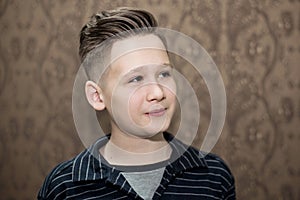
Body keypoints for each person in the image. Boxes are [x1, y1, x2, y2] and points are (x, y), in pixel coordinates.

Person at [38, 7, 235, 200]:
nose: (158, 92)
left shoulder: (214, 177)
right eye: (136, 79)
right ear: (97, 96)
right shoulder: (64, 187)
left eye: (164, 74)